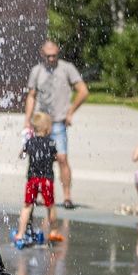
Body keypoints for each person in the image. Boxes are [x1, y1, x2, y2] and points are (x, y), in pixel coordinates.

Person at [24, 40, 89, 209]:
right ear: (42, 53)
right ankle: (38, 196)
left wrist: (71, 111)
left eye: (54, 55)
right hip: (40, 121)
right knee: (38, 159)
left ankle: (67, 196)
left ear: (58, 52)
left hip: (59, 121)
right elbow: (31, 95)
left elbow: (83, 91)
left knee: (62, 158)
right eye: (48, 56)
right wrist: (27, 119)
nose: (51, 59)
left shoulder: (67, 68)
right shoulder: (37, 71)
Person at [14, 112, 60, 243]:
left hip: (32, 179)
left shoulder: (30, 142)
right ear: (47, 128)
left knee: (27, 205)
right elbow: (56, 158)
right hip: (46, 180)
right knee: (50, 206)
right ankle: (54, 231)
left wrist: (25, 145)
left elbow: (21, 156)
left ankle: (20, 234)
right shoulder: (51, 143)